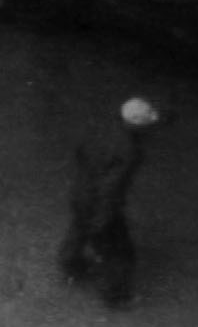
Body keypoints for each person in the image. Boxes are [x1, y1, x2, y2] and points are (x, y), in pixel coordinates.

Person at [59, 96, 162, 307]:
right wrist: (104, 216)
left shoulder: (102, 130)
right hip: (100, 204)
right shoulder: (130, 151)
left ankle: (71, 264)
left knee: (79, 228)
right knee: (119, 250)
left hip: (81, 191)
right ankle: (115, 295)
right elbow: (111, 187)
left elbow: (81, 151)